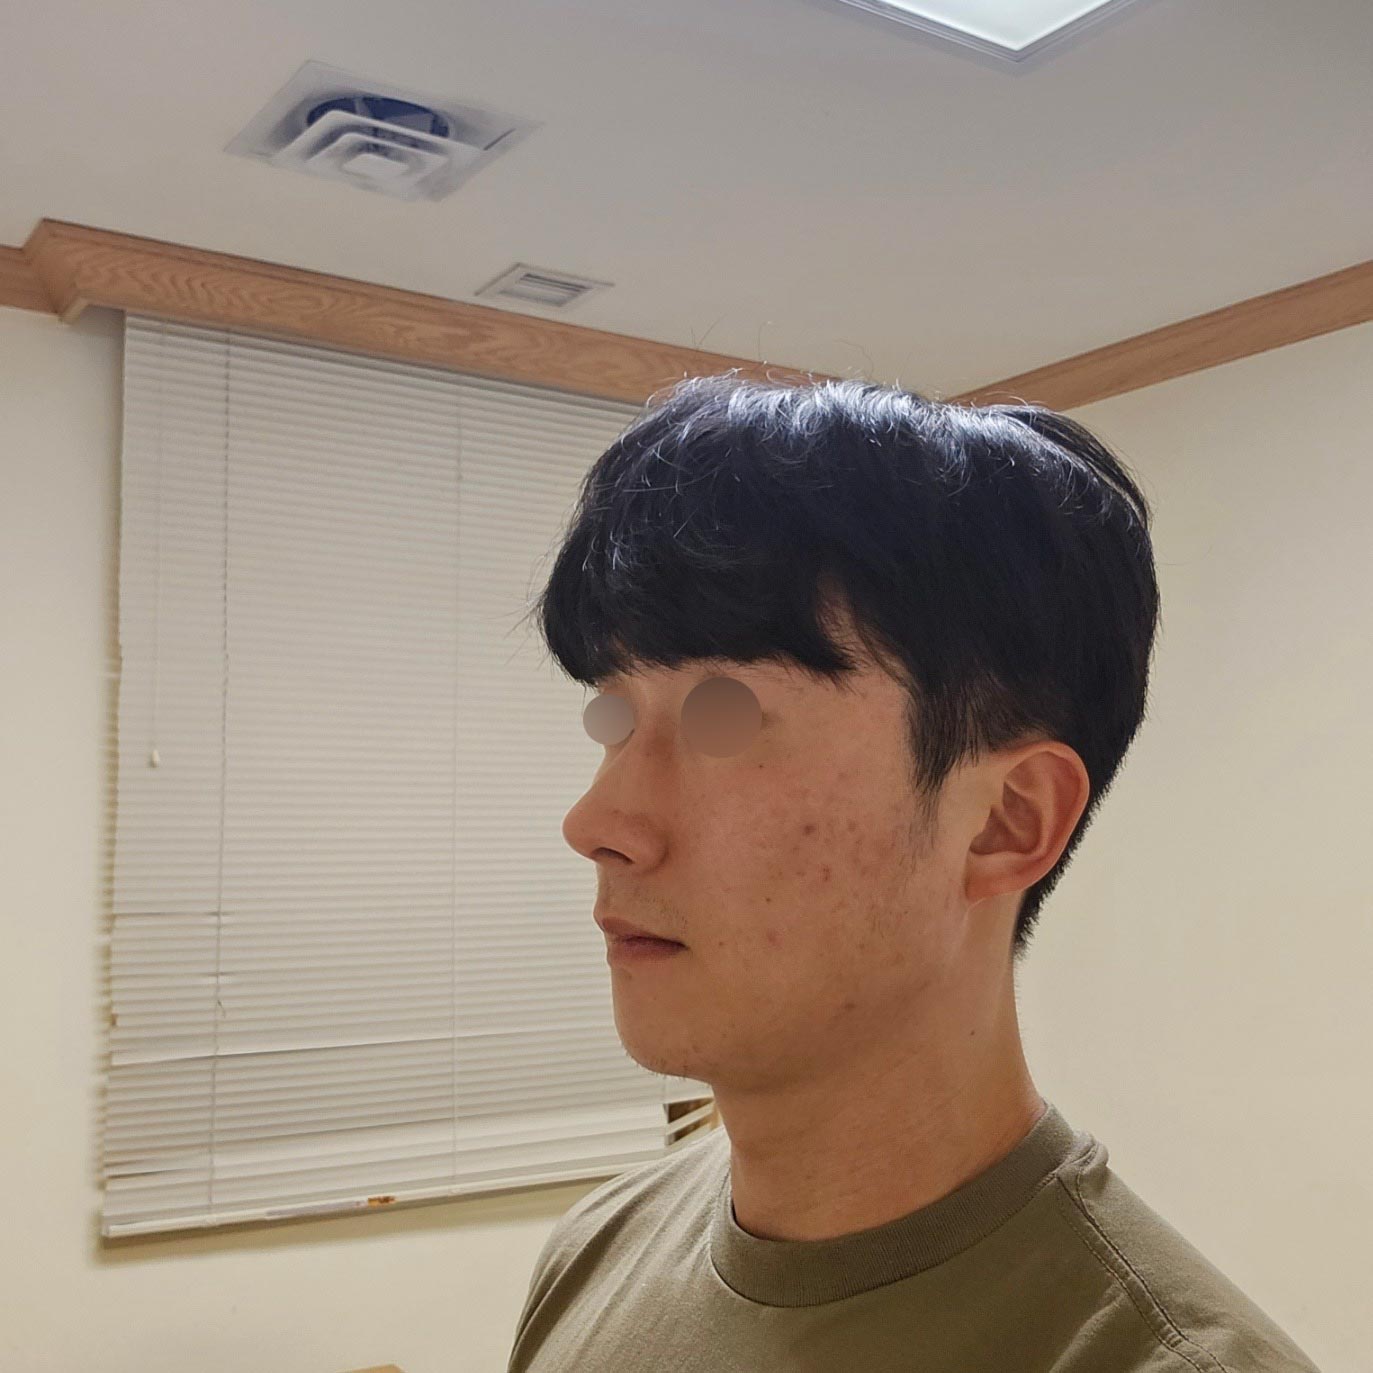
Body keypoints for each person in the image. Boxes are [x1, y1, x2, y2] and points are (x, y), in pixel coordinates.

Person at [506, 374, 1320, 1372]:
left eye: (722, 713)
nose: (596, 823)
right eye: (615, 714)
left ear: (1005, 822)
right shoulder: (596, 1248)